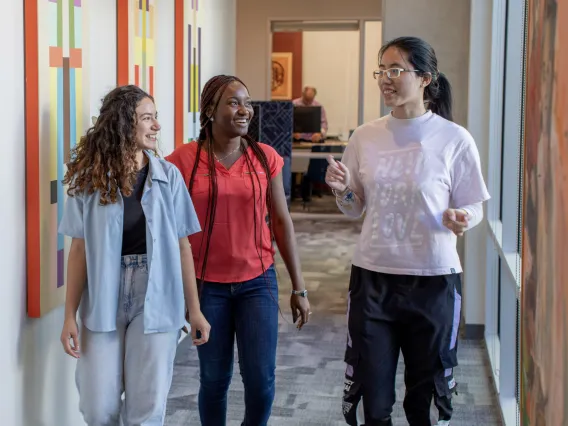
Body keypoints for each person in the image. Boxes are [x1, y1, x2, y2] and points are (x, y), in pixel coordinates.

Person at [325, 36, 490, 426]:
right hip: (372, 279)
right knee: (374, 399)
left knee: (426, 401)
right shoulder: (365, 136)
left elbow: (475, 206)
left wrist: (463, 217)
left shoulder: (454, 139)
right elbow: (354, 208)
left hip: (434, 281)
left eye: (396, 70)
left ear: (425, 78)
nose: (385, 78)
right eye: (381, 70)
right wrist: (343, 190)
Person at [58, 85, 210, 426]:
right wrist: (69, 315)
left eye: (155, 118)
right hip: (102, 294)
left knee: (147, 407)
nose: (156, 126)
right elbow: (79, 248)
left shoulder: (168, 177)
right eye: (147, 118)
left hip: (156, 293)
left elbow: (183, 246)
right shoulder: (89, 180)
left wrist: (195, 310)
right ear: (125, 124)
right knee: (98, 407)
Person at [166, 74, 311, 426]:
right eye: (233, 102)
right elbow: (169, 231)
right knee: (214, 381)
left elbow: (281, 221)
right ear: (210, 111)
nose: (244, 110)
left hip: (257, 283)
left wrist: (299, 286)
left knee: (261, 382)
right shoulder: (183, 161)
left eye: (246, 103)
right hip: (206, 287)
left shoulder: (265, 157)